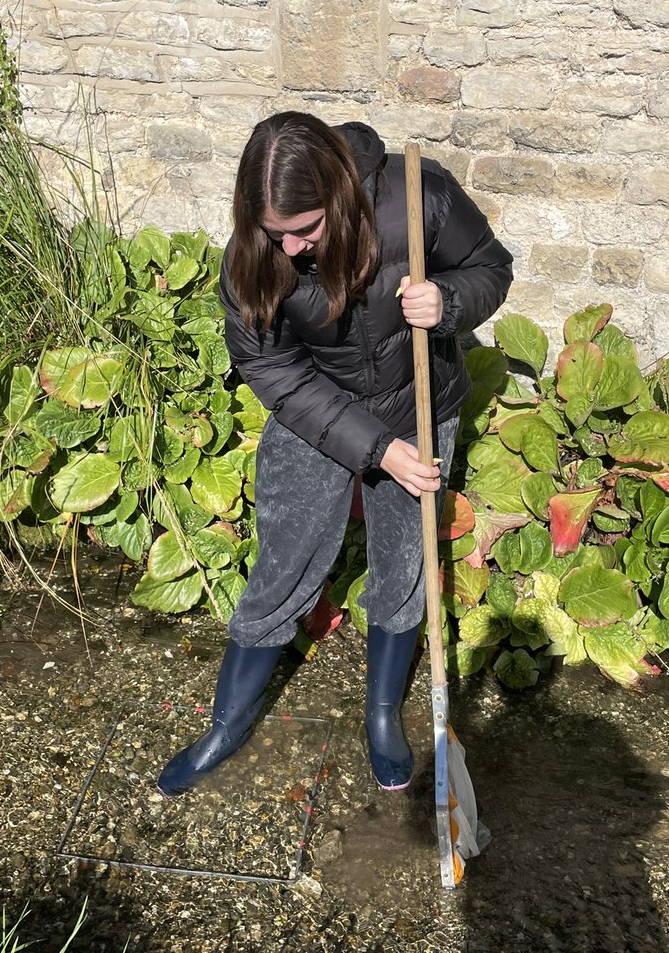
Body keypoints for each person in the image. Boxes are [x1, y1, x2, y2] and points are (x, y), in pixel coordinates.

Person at [157, 111, 513, 797]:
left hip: (416, 404)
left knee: (403, 565)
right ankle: (226, 724)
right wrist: (375, 447)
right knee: (284, 563)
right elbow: (276, 374)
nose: (288, 248)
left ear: (342, 196)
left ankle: (382, 715)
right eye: (274, 231)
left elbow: (489, 268)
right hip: (313, 414)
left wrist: (449, 301)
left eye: (305, 230)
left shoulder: (419, 197)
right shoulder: (254, 254)